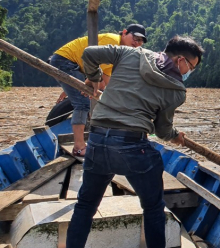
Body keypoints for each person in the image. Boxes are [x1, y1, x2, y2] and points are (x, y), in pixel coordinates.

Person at [58, 35, 203, 248]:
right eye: (191, 67)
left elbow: (89, 54)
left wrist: (93, 78)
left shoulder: (130, 53)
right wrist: (176, 136)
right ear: (180, 60)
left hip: (98, 141)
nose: (190, 72)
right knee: (153, 207)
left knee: (85, 205)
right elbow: (162, 129)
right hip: (133, 147)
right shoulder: (177, 90)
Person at [48, 24, 147, 156]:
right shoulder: (112, 41)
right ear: (124, 33)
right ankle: (79, 147)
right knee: (83, 104)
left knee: (92, 96)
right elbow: (92, 64)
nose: (137, 43)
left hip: (76, 66)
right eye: (135, 38)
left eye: (141, 41)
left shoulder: (120, 53)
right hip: (66, 61)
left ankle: (92, 137)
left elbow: (105, 82)